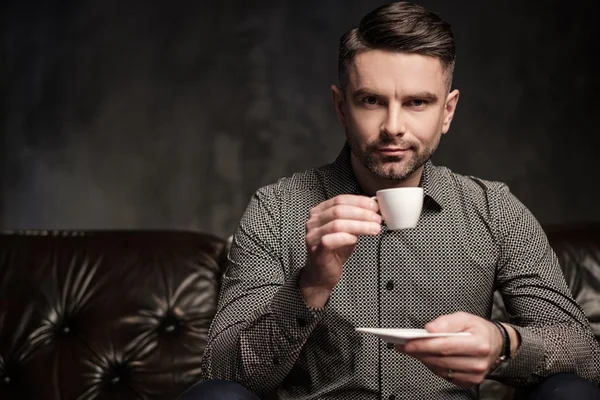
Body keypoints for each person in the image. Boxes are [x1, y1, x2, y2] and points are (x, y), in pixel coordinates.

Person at [181, 2, 600, 399]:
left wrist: (503, 342)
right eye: (371, 101)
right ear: (341, 107)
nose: (393, 127)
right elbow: (220, 374)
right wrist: (310, 284)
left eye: (417, 102)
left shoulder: (494, 210)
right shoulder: (277, 209)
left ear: (448, 112)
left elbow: (584, 354)